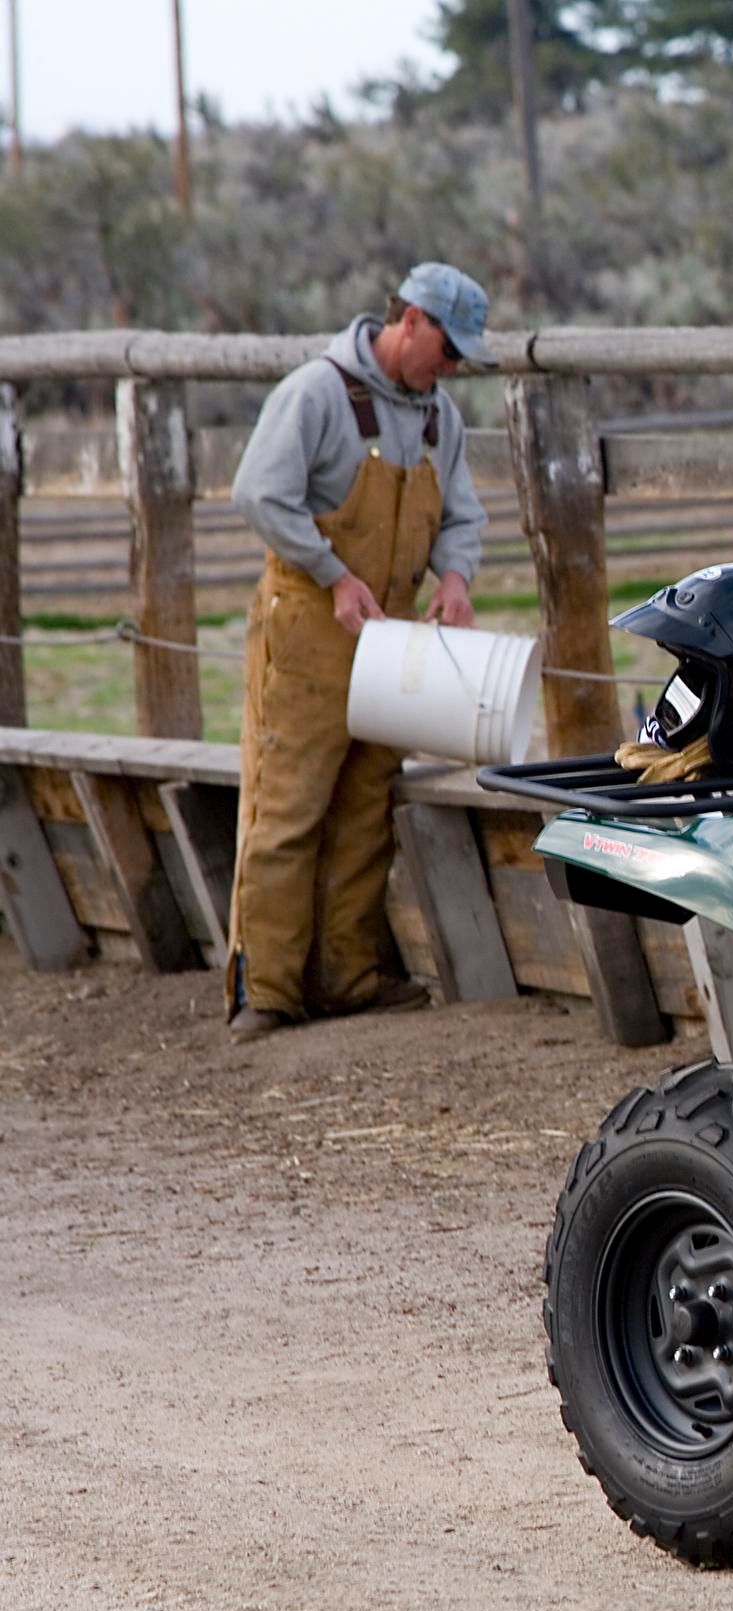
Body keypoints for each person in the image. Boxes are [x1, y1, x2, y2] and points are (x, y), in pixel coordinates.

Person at [223, 263, 494, 1042]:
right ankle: (265, 991)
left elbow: (463, 517)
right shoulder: (317, 392)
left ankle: (348, 979)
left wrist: (456, 578)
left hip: (389, 634)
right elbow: (259, 493)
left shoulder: (440, 415)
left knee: (366, 803)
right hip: (311, 627)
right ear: (410, 321)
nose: (454, 367)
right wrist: (333, 574)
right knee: (289, 803)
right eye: (448, 348)